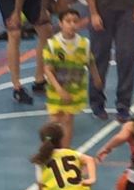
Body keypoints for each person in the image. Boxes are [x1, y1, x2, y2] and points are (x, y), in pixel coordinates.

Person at [43, 8, 103, 147]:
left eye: (75, 21)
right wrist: (59, 90)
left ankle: (65, 150)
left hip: (74, 89)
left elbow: (90, 62)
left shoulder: (84, 44)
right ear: (60, 23)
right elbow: (48, 70)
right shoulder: (52, 44)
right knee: (54, 120)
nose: (72, 25)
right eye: (68, 21)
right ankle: (48, 149)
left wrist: (96, 77)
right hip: (56, 90)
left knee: (68, 119)